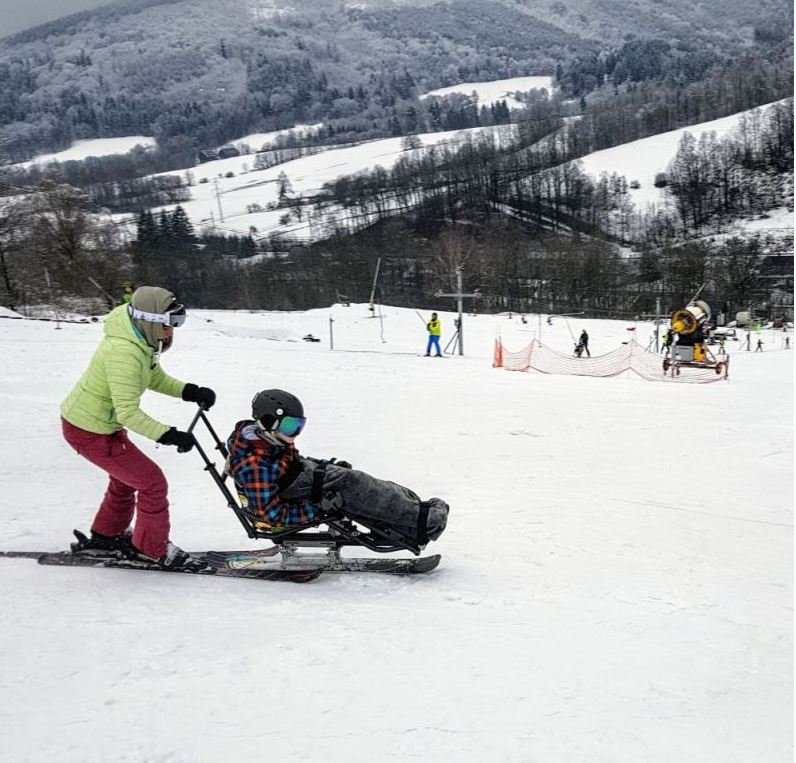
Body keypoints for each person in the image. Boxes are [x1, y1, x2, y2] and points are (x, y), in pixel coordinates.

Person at [60, 286, 217, 571]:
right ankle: (151, 549)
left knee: (127, 479)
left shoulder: (137, 338)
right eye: (170, 325)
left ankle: (106, 537)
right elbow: (128, 413)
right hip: (88, 430)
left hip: (97, 425)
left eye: (176, 324)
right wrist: (168, 434)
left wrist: (190, 391)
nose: (172, 333)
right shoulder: (124, 353)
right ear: (151, 320)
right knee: (152, 483)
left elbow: (153, 377)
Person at [226, 389, 449, 545]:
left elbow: (291, 463)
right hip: (302, 495)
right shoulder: (255, 466)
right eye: (290, 426)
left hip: (304, 479)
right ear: (266, 423)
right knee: (354, 485)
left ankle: (416, 512)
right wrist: (320, 508)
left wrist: (322, 466)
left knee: (357, 480)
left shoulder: (267, 441)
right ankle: (421, 523)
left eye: (298, 426)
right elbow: (272, 516)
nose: (294, 434)